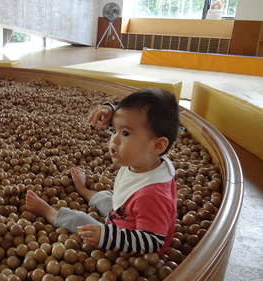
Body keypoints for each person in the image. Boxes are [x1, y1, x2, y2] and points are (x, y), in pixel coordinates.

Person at [26, 88, 179, 255]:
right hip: (126, 215)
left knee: (82, 221)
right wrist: (112, 110)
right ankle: (84, 191)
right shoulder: (149, 161)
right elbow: (134, 121)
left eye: (125, 133)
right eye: (114, 130)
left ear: (157, 145)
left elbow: (152, 242)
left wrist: (104, 236)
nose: (114, 139)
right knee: (108, 197)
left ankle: (50, 212)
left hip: (129, 246)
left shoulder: (152, 195)